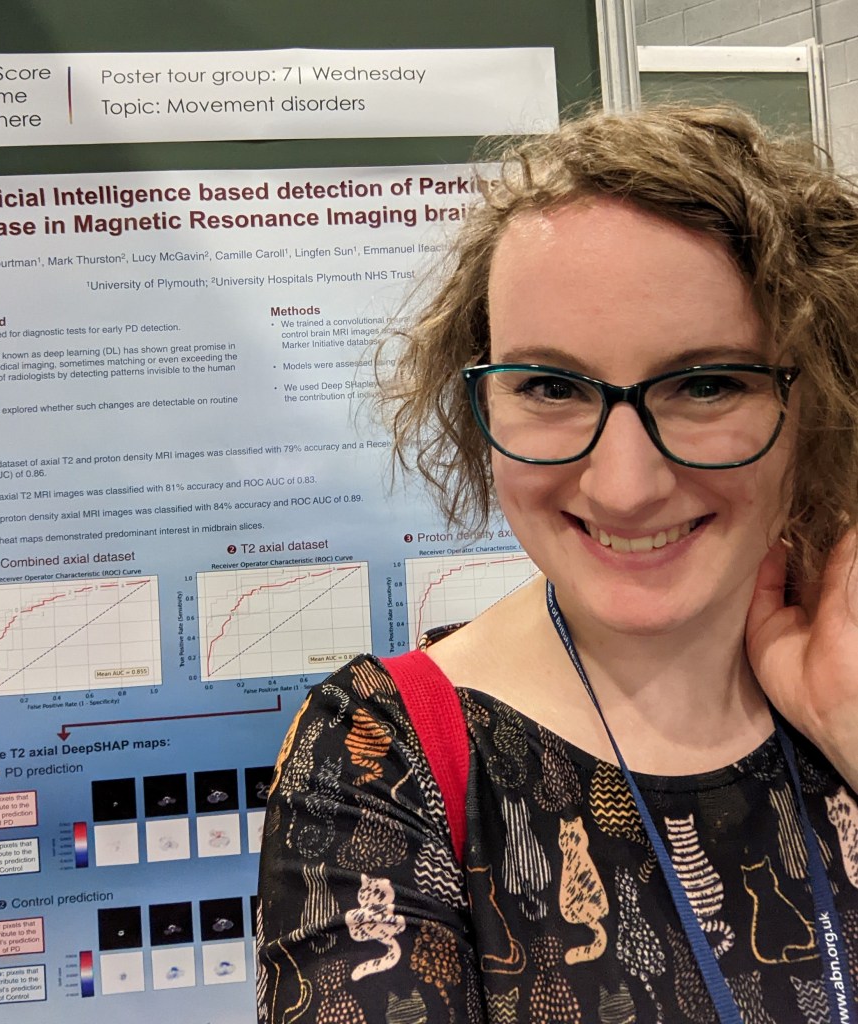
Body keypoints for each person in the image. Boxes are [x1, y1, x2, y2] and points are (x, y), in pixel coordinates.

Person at [256, 105, 858, 1023]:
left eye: (705, 384)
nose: (624, 487)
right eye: (548, 386)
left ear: (821, 396)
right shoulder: (381, 759)